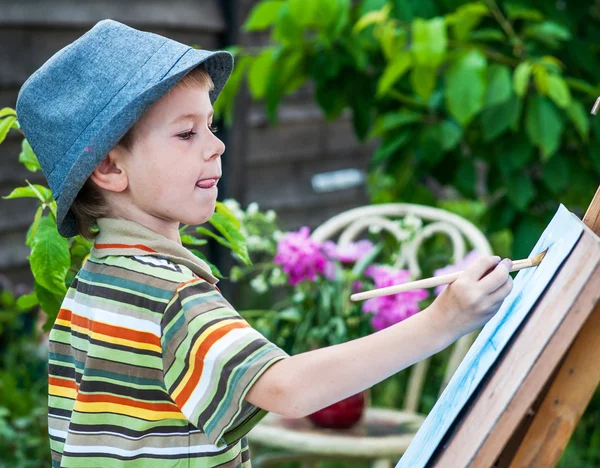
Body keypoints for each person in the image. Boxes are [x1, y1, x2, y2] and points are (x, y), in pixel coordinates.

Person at [15, 19, 513, 467]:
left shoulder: (92, 285)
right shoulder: (170, 296)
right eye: (186, 133)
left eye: (209, 125)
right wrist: (444, 320)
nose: (217, 143)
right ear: (109, 167)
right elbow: (288, 390)